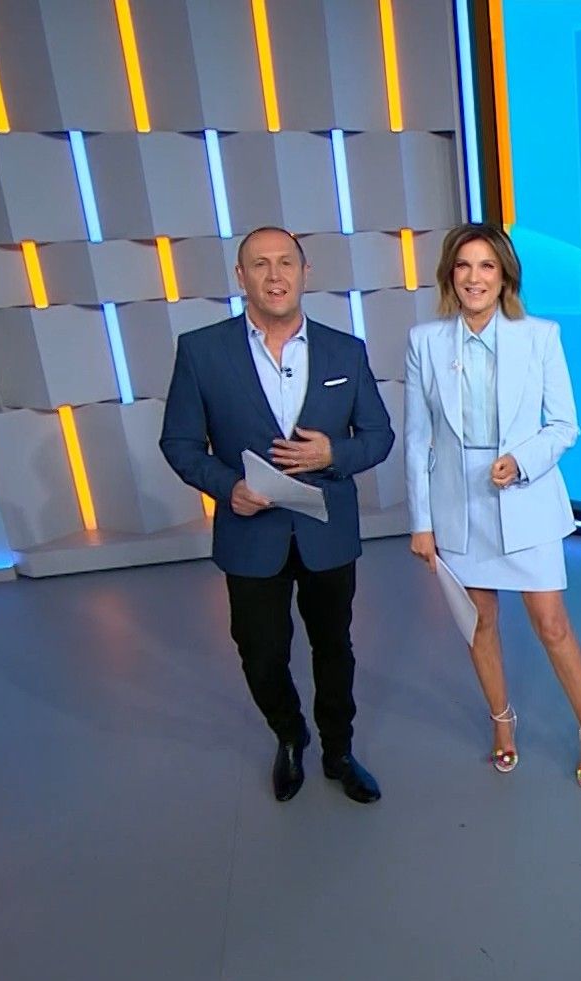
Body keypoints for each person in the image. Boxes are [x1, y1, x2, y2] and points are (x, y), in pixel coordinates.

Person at [160, 226, 394, 803]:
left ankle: (339, 751)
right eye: (260, 264)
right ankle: (290, 735)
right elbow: (180, 442)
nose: (274, 275)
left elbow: (379, 435)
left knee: (334, 647)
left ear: (305, 273)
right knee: (261, 654)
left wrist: (333, 454)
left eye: (286, 262)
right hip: (251, 532)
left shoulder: (346, 351)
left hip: (326, 531)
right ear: (241, 277)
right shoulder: (201, 351)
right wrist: (228, 488)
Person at [402, 223, 581, 788]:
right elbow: (417, 438)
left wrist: (521, 460)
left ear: (505, 276)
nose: (475, 278)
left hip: (525, 498)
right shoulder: (424, 342)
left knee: (551, 625)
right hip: (459, 508)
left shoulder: (539, 336)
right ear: (450, 274)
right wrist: (421, 522)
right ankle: (501, 721)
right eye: (464, 266)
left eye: (487, 266)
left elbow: (564, 425)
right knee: (480, 624)